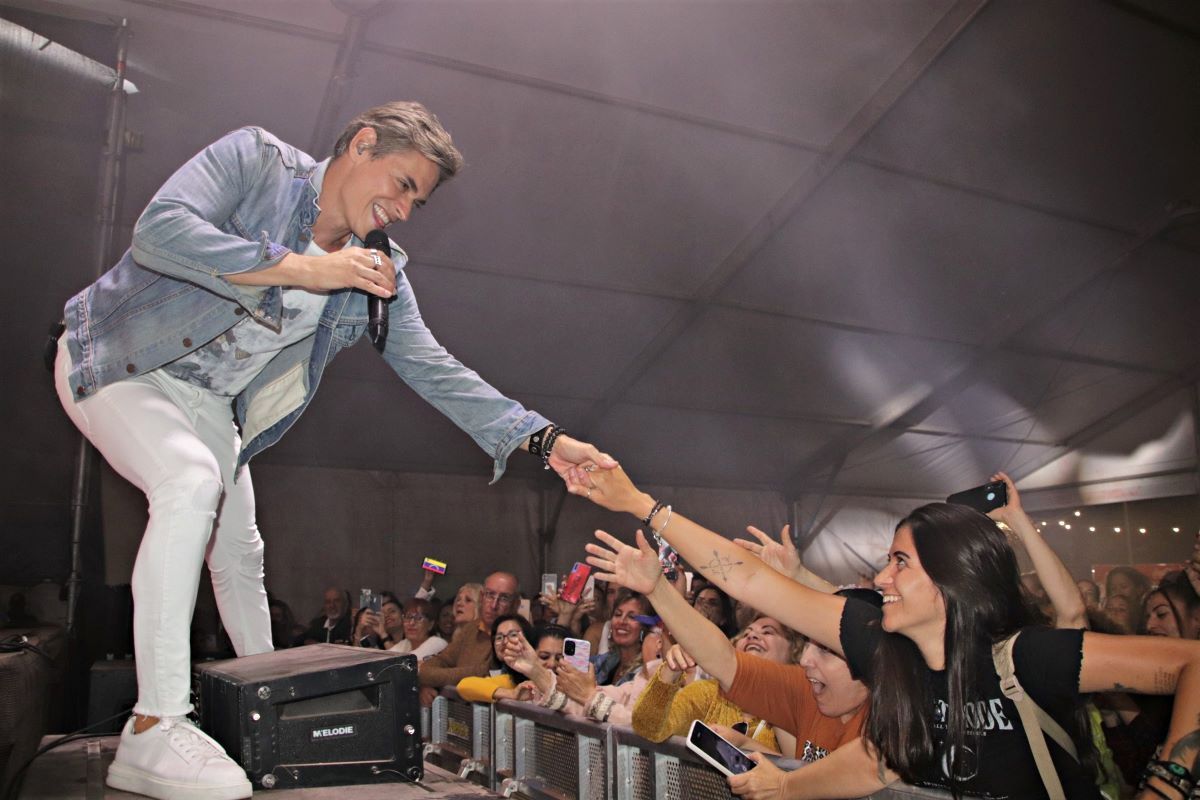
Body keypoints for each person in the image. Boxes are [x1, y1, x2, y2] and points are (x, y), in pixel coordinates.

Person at [53, 100, 616, 800]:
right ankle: (151, 725)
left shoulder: (378, 278)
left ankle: (267, 709)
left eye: (420, 201)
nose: (406, 210)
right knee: (191, 484)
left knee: (239, 548)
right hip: (122, 360)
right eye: (404, 184)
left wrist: (545, 439)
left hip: (206, 403)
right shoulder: (256, 161)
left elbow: (439, 372)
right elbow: (160, 233)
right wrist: (302, 269)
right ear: (363, 144)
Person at [570, 463, 1200, 800]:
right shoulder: (886, 651)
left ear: (951, 582)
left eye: (900, 561)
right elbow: (879, 766)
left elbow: (1190, 663)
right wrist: (640, 505)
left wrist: (1170, 784)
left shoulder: (1028, 658)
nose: (881, 575)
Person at [419, 571, 519, 704]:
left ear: (515, 604)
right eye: (490, 595)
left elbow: (481, 673)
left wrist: (429, 677)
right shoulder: (472, 627)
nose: (494, 605)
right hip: (460, 714)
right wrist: (427, 683)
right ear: (482, 597)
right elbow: (441, 661)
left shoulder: (516, 635)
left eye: (504, 598)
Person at [455, 615, 537, 702]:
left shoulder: (540, 670)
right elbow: (463, 686)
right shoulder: (505, 678)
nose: (505, 642)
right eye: (499, 638)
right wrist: (512, 694)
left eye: (513, 635)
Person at [390, 597, 448, 661]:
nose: (411, 623)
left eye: (418, 618)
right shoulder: (405, 643)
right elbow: (383, 660)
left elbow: (407, 663)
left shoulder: (438, 643)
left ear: (430, 624)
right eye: (408, 617)